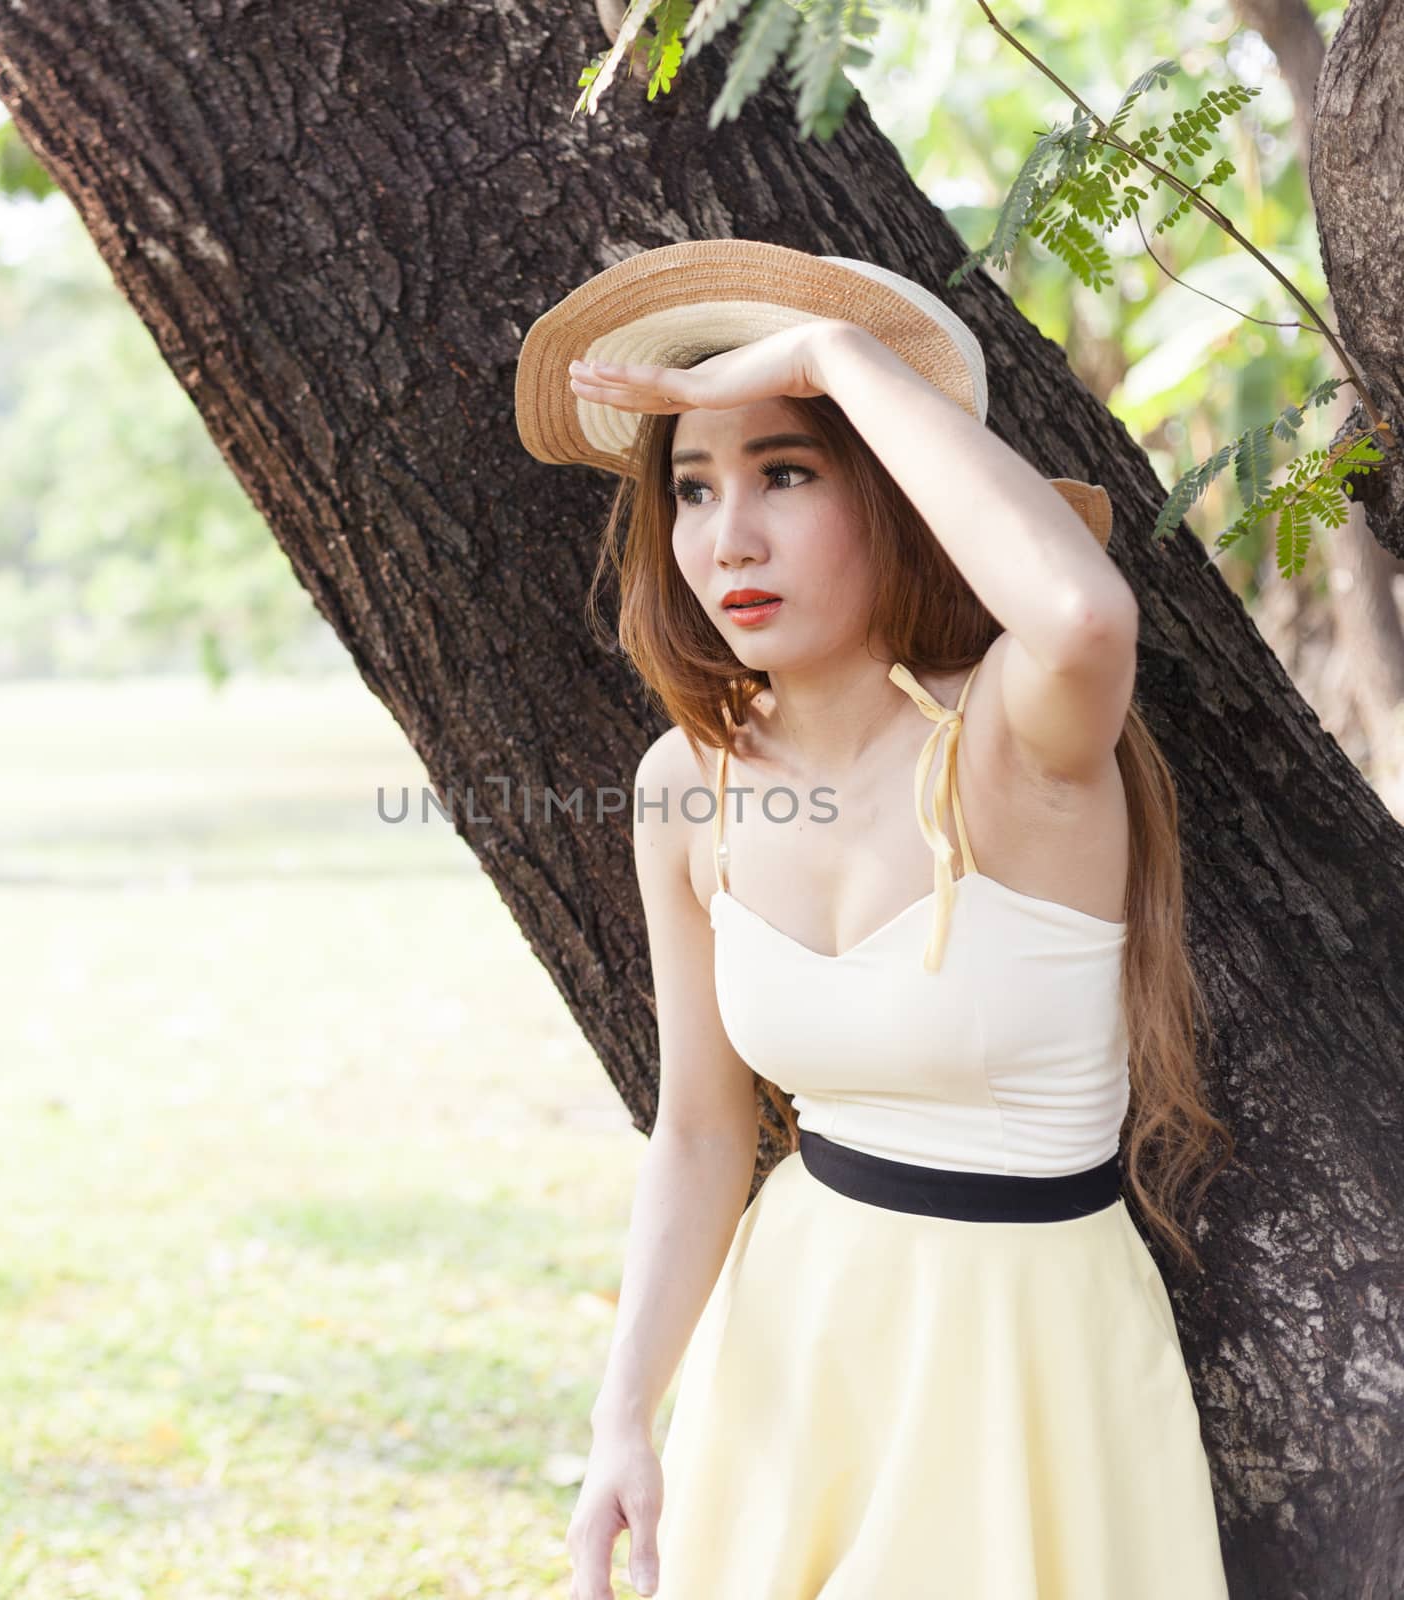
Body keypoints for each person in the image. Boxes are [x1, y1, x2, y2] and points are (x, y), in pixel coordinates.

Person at [513, 239, 1237, 1600]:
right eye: (693, 486)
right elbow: (705, 1128)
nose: (728, 535)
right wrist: (624, 1416)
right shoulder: (689, 787)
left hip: (1022, 1352)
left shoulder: (1021, 740)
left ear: (895, 495)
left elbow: (1086, 613)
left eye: (787, 470)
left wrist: (826, 351)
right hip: (801, 1329)